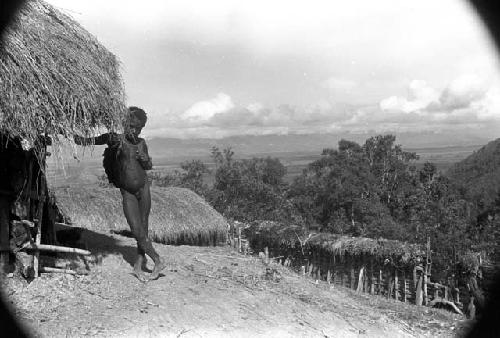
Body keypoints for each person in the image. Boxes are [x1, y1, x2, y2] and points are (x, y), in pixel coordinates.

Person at [74, 106, 165, 282]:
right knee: (137, 230)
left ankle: (139, 265)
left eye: (138, 128)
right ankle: (158, 260)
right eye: (131, 126)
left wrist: (145, 160)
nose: (134, 131)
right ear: (124, 124)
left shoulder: (141, 143)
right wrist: (74, 136)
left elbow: (147, 166)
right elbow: (88, 141)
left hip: (144, 189)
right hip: (128, 192)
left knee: (144, 229)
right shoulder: (114, 139)